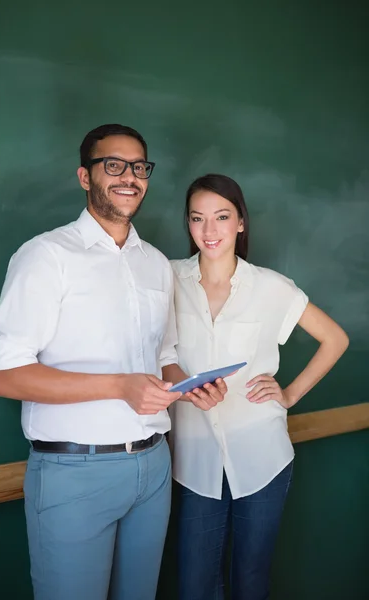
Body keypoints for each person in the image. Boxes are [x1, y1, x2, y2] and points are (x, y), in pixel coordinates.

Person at [0, 125, 226, 600]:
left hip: (154, 465)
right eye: (113, 165)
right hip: (74, 473)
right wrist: (119, 386)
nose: (128, 176)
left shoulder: (155, 263)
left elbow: (164, 358)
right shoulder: (46, 256)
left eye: (139, 167)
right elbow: (5, 376)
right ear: (84, 176)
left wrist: (189, 387)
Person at [165, 173, 349, 600]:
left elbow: (336, 339)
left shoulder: (270, 287)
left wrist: (289, 395)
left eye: (222, 217)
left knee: (251, 581)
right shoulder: (168, 279)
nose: (209, 231)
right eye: (197, 218)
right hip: (192, 462)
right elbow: (158, 354)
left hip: (263, 457)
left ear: (241, 222)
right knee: (195, 585)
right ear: (188, 225)